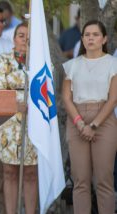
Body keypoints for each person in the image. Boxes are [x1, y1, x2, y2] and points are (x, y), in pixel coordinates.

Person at [62, 20, 117, 214]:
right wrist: (79, 124)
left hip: (104, 119)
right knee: (81, 180)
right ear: (82, 39)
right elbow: (66, 98)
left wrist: (92, 126)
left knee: (104, 180)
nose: (91, 38)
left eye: (95, 34)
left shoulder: (113, 63)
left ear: (104, 39)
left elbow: (113, 99)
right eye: (87, 34)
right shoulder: (71, 65)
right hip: (77, 118)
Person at [0, 23, 38, 214]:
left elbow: (47, 89)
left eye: (29, 36)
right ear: (14, 38)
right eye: (21, 35)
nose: (25, 39)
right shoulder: (3, 60)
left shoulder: (40, 61)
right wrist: (14, 104)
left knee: (31, 172)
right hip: (9, 122)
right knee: (9, 171)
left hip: (34, 121)